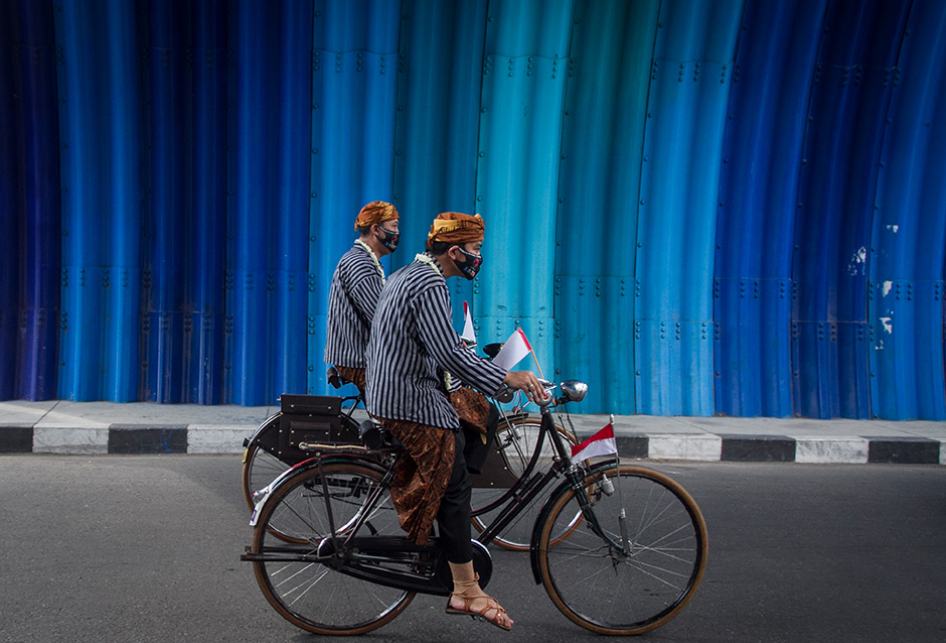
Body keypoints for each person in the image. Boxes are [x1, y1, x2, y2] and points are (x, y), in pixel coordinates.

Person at [365, 212, 544, 631]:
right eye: (476, 251)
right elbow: (446, 353)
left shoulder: (410, 275)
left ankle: (456, 538)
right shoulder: (428, 284)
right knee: (454, 480)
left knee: (476, 420)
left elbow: (434, 348)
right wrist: (505, 377)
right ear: (455, 251)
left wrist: (475, 376)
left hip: (401, 389)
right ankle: (465, 589)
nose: (479, 258)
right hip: (406, 398)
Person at [323, 200, 400, 393]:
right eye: (394, 227)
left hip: (361, 356)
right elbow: (384, 319)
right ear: (376, 229)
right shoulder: (360, 265)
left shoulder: (364, 261)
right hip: (361, 360)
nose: (397, 233)